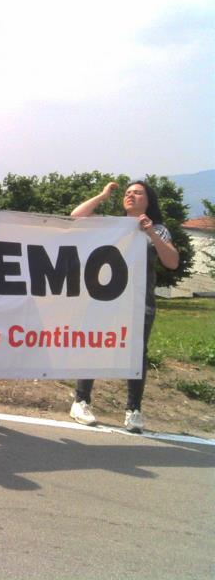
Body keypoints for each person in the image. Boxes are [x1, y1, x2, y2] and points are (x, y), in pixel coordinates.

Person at [68, 180, 179, 433]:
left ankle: (133, 410)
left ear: (148, 200)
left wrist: (150, 232)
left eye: (138, 193)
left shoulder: (158, 229)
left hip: (140, 302)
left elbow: (172, 262)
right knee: (95, 343)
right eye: (127, 193)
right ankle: (81, 401)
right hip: (105, 299)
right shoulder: (112, 226)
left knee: (137, 353)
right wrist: (102, 195)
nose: (131, 196)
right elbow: (76, 217)